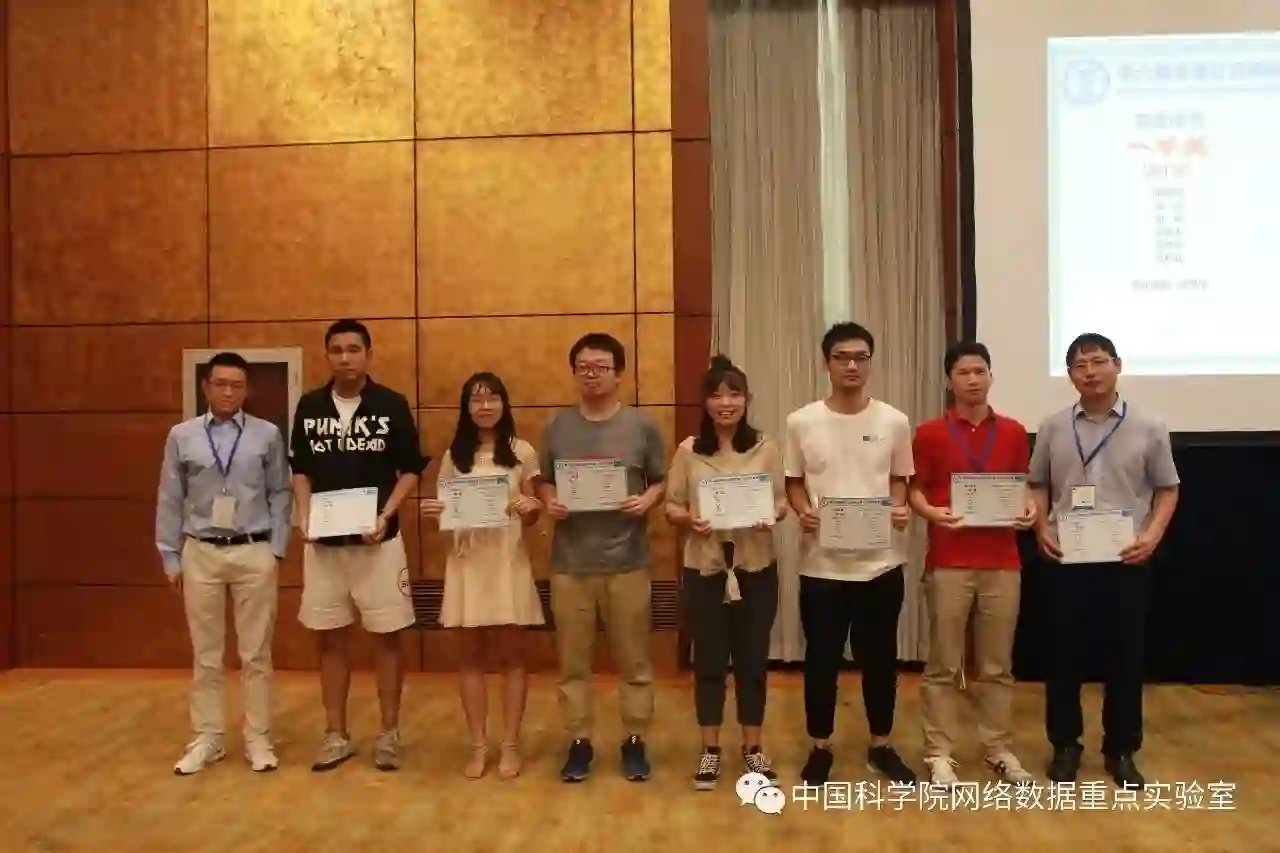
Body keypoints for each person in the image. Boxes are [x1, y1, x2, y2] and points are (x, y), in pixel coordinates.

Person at [1029, 333, 1179, 788]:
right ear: (1070, 375)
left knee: (1125, 659)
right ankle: (1065, 747)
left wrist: (1152, 536)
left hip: (1125, 557)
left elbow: (1167, 489)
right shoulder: (1054, 426)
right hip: (1066, 556)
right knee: (1063, 658)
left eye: (1098, 362)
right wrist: (1041, 528)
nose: (1090, 372)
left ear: (1117, 365)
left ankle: (1121, 750)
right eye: (1080, 365)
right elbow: (1037, 483)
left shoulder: (1149, 426)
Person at [289, 319, 428, 773]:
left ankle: (389, 733)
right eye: (337, 350)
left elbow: (411, 470)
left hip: (379, 542)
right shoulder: (310, 406)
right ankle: (336, 734)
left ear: (368, 354)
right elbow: (301, 470)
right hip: (325, 545)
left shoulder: (391, 404)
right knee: (330, 639)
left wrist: (386, 514)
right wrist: (304, 515)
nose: (345, 357)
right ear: (327, 356)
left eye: (353, 349)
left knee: (387, 638)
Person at [784, 321, 917, 786]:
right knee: (821, 660)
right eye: (842, 357)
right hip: (821, 566)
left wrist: (899, 506)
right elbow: (794, 482)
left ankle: (881, 744)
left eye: (861, 357)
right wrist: (804, 511)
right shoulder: (801, 421)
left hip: (881, 564)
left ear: (870, 363)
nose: (852, 365)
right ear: (827, 363)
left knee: (880, 660)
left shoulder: (894, 421)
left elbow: (900, 479)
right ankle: (820, 745)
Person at [155, 351, 292, 775]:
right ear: (206, 387)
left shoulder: (267, 434)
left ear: (247, 390)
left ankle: (258, 737)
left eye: (236, 385)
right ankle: (208, 737)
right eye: (220, 384)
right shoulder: (182, 435)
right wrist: (170, 555)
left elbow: (281, 491)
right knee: (206, 653)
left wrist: (276, 549)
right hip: (201, 551)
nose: (228, 392)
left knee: (256, 653)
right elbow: (170, 495)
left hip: (253, 549)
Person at [538, 332, 666, 783]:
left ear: (618, 373)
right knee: (573, 663)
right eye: (583, 367)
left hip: (627, 560)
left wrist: (647, 500)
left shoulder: (641, 427)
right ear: (574, 372)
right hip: (570, 564)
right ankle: (579, 741)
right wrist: (549, 500)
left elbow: (660, 479)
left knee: (635, 661)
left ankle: (635, 739)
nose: (591, 374)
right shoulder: (558, 427)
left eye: (601, 367)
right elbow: (543, 479)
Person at [909, 341, 1037, 787]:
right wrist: (930, 512)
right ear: (950, 381)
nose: (973, 379)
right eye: (963, 372)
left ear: (991, 376)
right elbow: (914, 489)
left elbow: (1023, 486)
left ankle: (998, 749)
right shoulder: (930, 433)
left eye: (980, 371)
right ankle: (938, 752)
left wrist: (1030, 509)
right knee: (944, 664)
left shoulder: (1014, 432)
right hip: (950, 560)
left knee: (997, 665)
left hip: (1003, 561)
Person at [664, 355, 788, 791]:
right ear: (705, 402)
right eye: (716, 395)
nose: (725, 403)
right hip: (705, 568)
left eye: (734, 394)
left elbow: (780, 501)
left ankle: (753, 748)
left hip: (755, 568)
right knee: (710, 662)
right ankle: (710, 749)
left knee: (752, 662)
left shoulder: (766, 447)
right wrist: (688, 520)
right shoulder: (688, 451)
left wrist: (772, 515)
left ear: (746, 399)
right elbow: (672, 506)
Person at [421, 372, 544, 780]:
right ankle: (478, 745)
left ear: (504, 404)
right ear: (466, 408)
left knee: (513, 655)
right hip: (467, 561)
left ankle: (510, 744)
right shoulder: (453, 456)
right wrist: (435, 513)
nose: (485, 406)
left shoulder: (522, 451)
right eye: (476, 400)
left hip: (507, 559)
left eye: (492, 398)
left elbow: (534, 510)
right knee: (470, 656)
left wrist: (531, 508)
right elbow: (445, 511)